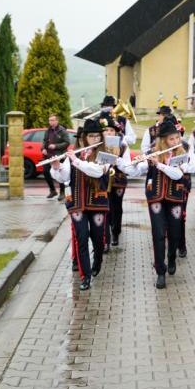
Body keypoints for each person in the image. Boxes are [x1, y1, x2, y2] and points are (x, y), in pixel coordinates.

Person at [119, 121, 195, 289]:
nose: (176, 141)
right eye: (172, 139)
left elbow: (177, 174)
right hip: (155, 197)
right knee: (158, 233)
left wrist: (160, 164)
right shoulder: (151, 153)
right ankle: (160, 271)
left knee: (175, 233)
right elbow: (135, 171)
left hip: (175, 197)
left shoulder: (182, 154)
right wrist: (133, 164)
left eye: (177, 138)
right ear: (163, 141)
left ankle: (171, 258)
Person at [50, 119, 111, 291]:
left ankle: (97, 260)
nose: (93, 139)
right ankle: (85, 277)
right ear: (84, 137)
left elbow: (97, 171)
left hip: (97, 202)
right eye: (90, 136)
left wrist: (75, 161)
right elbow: (65, 178)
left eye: (96, 136)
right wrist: (57, 167)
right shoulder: (75, 153)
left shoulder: (106, 154)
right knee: (81, 238)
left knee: (98, 239)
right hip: (77, 203)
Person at [99, 115, 131, 248]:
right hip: (103, 179)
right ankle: (105, 237)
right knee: (105, 207)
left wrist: (116, 160)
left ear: (116, 132)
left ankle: (115, 232)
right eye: (106, 130)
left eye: (111, 131)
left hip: (118, 180)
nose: (109, 133)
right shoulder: (99, 145)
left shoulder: (123, 146)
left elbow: (127, 165)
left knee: (116, 207)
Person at [41, 114, 70, 200]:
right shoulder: (47, 131)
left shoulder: (62, 130)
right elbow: (44, 141)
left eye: (53, 120)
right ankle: (53, 190)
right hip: (48, 156)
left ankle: (62, 192)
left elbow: (67, 142)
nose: (51, 122)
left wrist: (56, 146)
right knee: (46, 172)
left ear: (57, 121)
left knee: (61, 174)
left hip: (59, 155)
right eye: (50, 120)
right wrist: (43, 148)